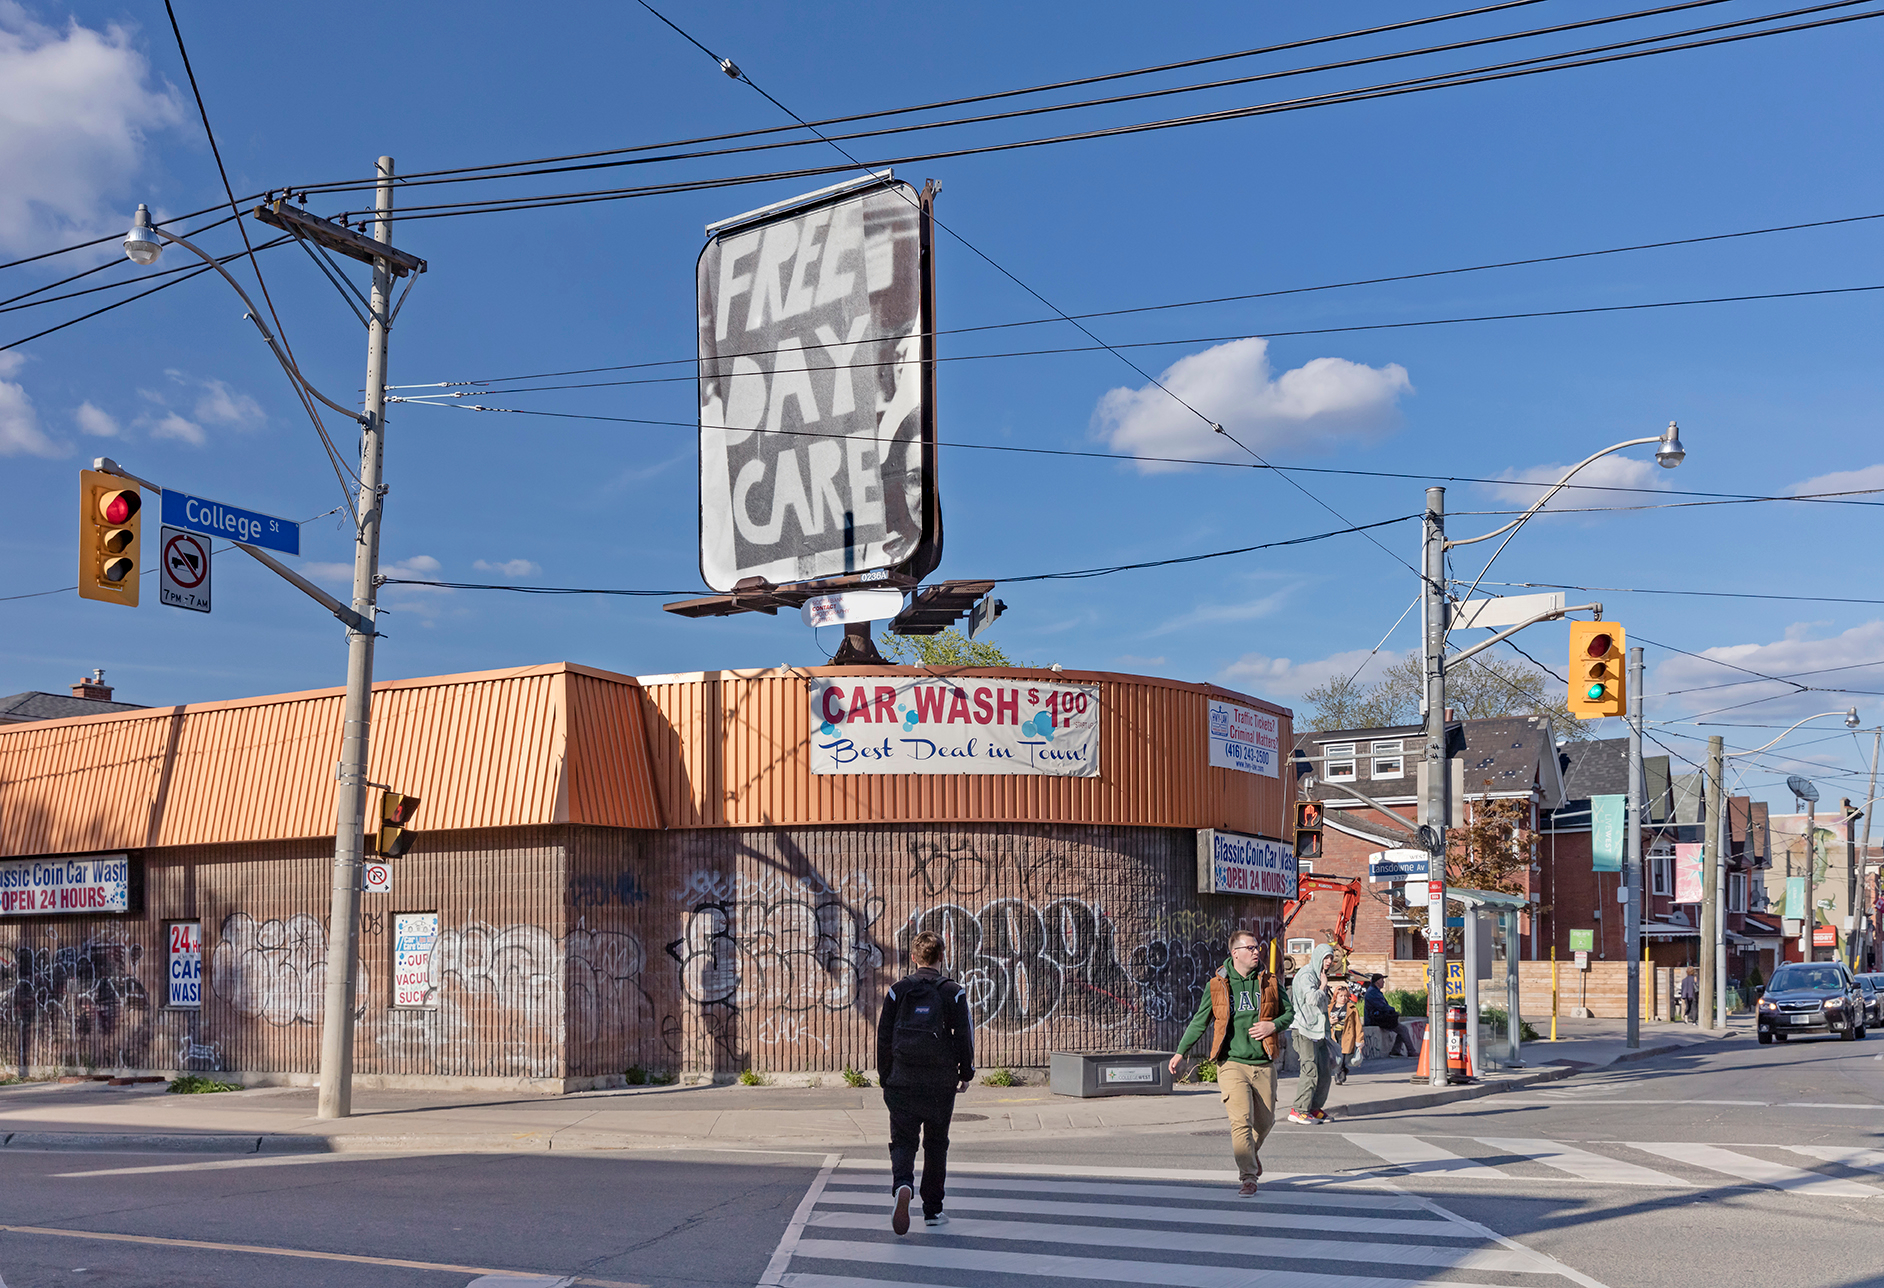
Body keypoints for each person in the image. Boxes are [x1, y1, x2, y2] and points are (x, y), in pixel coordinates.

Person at [1168, 930, 1293, 1197]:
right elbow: (1200, 1020)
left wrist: (1273, 1025)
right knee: (1241, 1121)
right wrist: (1180, 1052)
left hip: (1263, 1062)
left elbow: (1289, 1013)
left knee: (1266, 1121)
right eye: (1250, 948)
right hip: (1231, 1063)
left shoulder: (1269, 981)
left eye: (1257, 947)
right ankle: (1248, 1177)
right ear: (1235, 953)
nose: (1256, 951)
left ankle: (1250, 1154)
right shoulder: (1218, 985)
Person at [876, 930, 975, 1235]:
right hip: (939, 1084)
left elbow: (883, 1037)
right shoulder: (954, 992)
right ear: (942, 957)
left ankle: (903, 1186)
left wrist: (886, 1077)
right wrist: (965, 1073)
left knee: (903, 1141)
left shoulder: (898, 991)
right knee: (936, 1145)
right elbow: (964, 1037)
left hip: (902, 1082)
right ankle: (933, 1210)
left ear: (915, 957)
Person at [1287, 943, 1335, 1124]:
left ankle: (1314, 1108)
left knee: (1324, 1070)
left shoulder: (1319, 974)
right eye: (1326, 958)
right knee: (1310, 1070)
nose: (1329, 962)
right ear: (1317, 958)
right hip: (1303, 1029)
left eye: (1331, 958)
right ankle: (1299, 1109)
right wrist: (1323, 986)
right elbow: (1313, 999)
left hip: (1318, 1030)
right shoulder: (1307, 975)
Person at [1363, 974, 1416, 1057]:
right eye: (1382, 980)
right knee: (1403, 1029)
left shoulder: (1373, 991)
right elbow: (1382, 1006)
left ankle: (1396, 1051)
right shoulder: (1373, 992)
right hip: (1376, 1019)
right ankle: (1411, 1052)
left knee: (1402, 1030)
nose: (1383, 982)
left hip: (1378, 1018)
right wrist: (1393, 1010)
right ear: (1377, 982)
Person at [1330, 978, 1363, 1084]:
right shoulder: (1330, 1008)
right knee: (1336, 1057)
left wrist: (1359, 1040)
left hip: (1347, 1036)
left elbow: (1357, 1025)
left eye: (1345, 996)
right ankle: (1338, 1075)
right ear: (1336, 996)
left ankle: (1342, 1070)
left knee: (1345, 1057)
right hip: (1334, 1035)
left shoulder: (1351, 1008)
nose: (1343, 998)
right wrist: (1330, 1021)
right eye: (1341, 996)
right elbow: (1324, 1021)